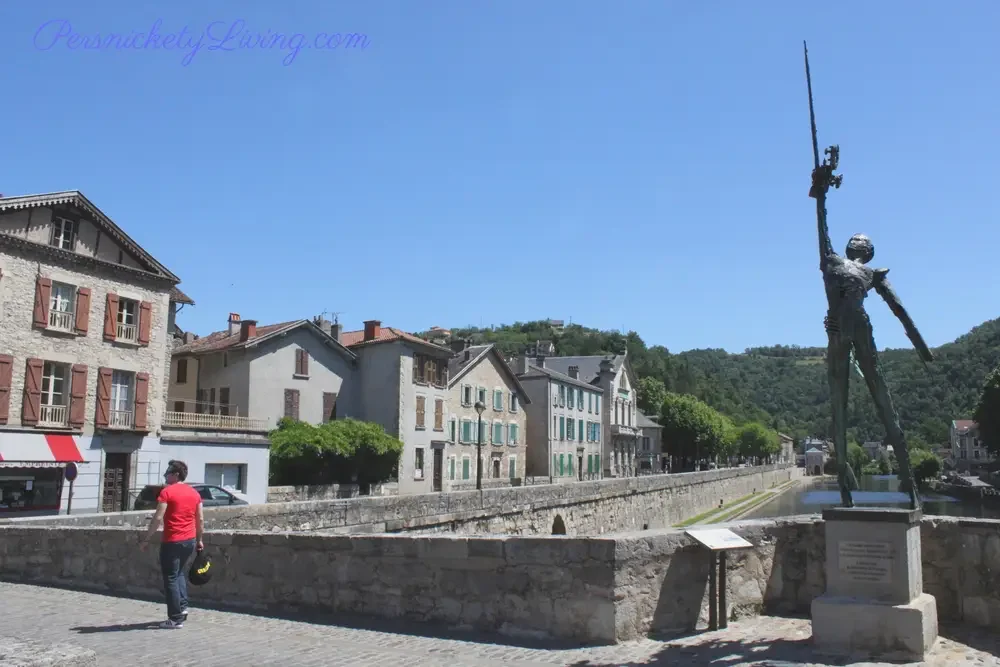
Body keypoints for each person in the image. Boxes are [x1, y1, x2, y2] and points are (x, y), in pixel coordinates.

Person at [140, 460, 204, 628]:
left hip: (173, 541)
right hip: (189, 540)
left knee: (170, 577)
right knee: (179, 573)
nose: (165, 475)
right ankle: (182, 608)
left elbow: (158, 517)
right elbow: (200, 519)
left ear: (176, 474)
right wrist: (199, 540)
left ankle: (175, 618)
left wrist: (147, 538)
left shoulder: (167, 492)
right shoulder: (194, 493)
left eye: (168, 472)